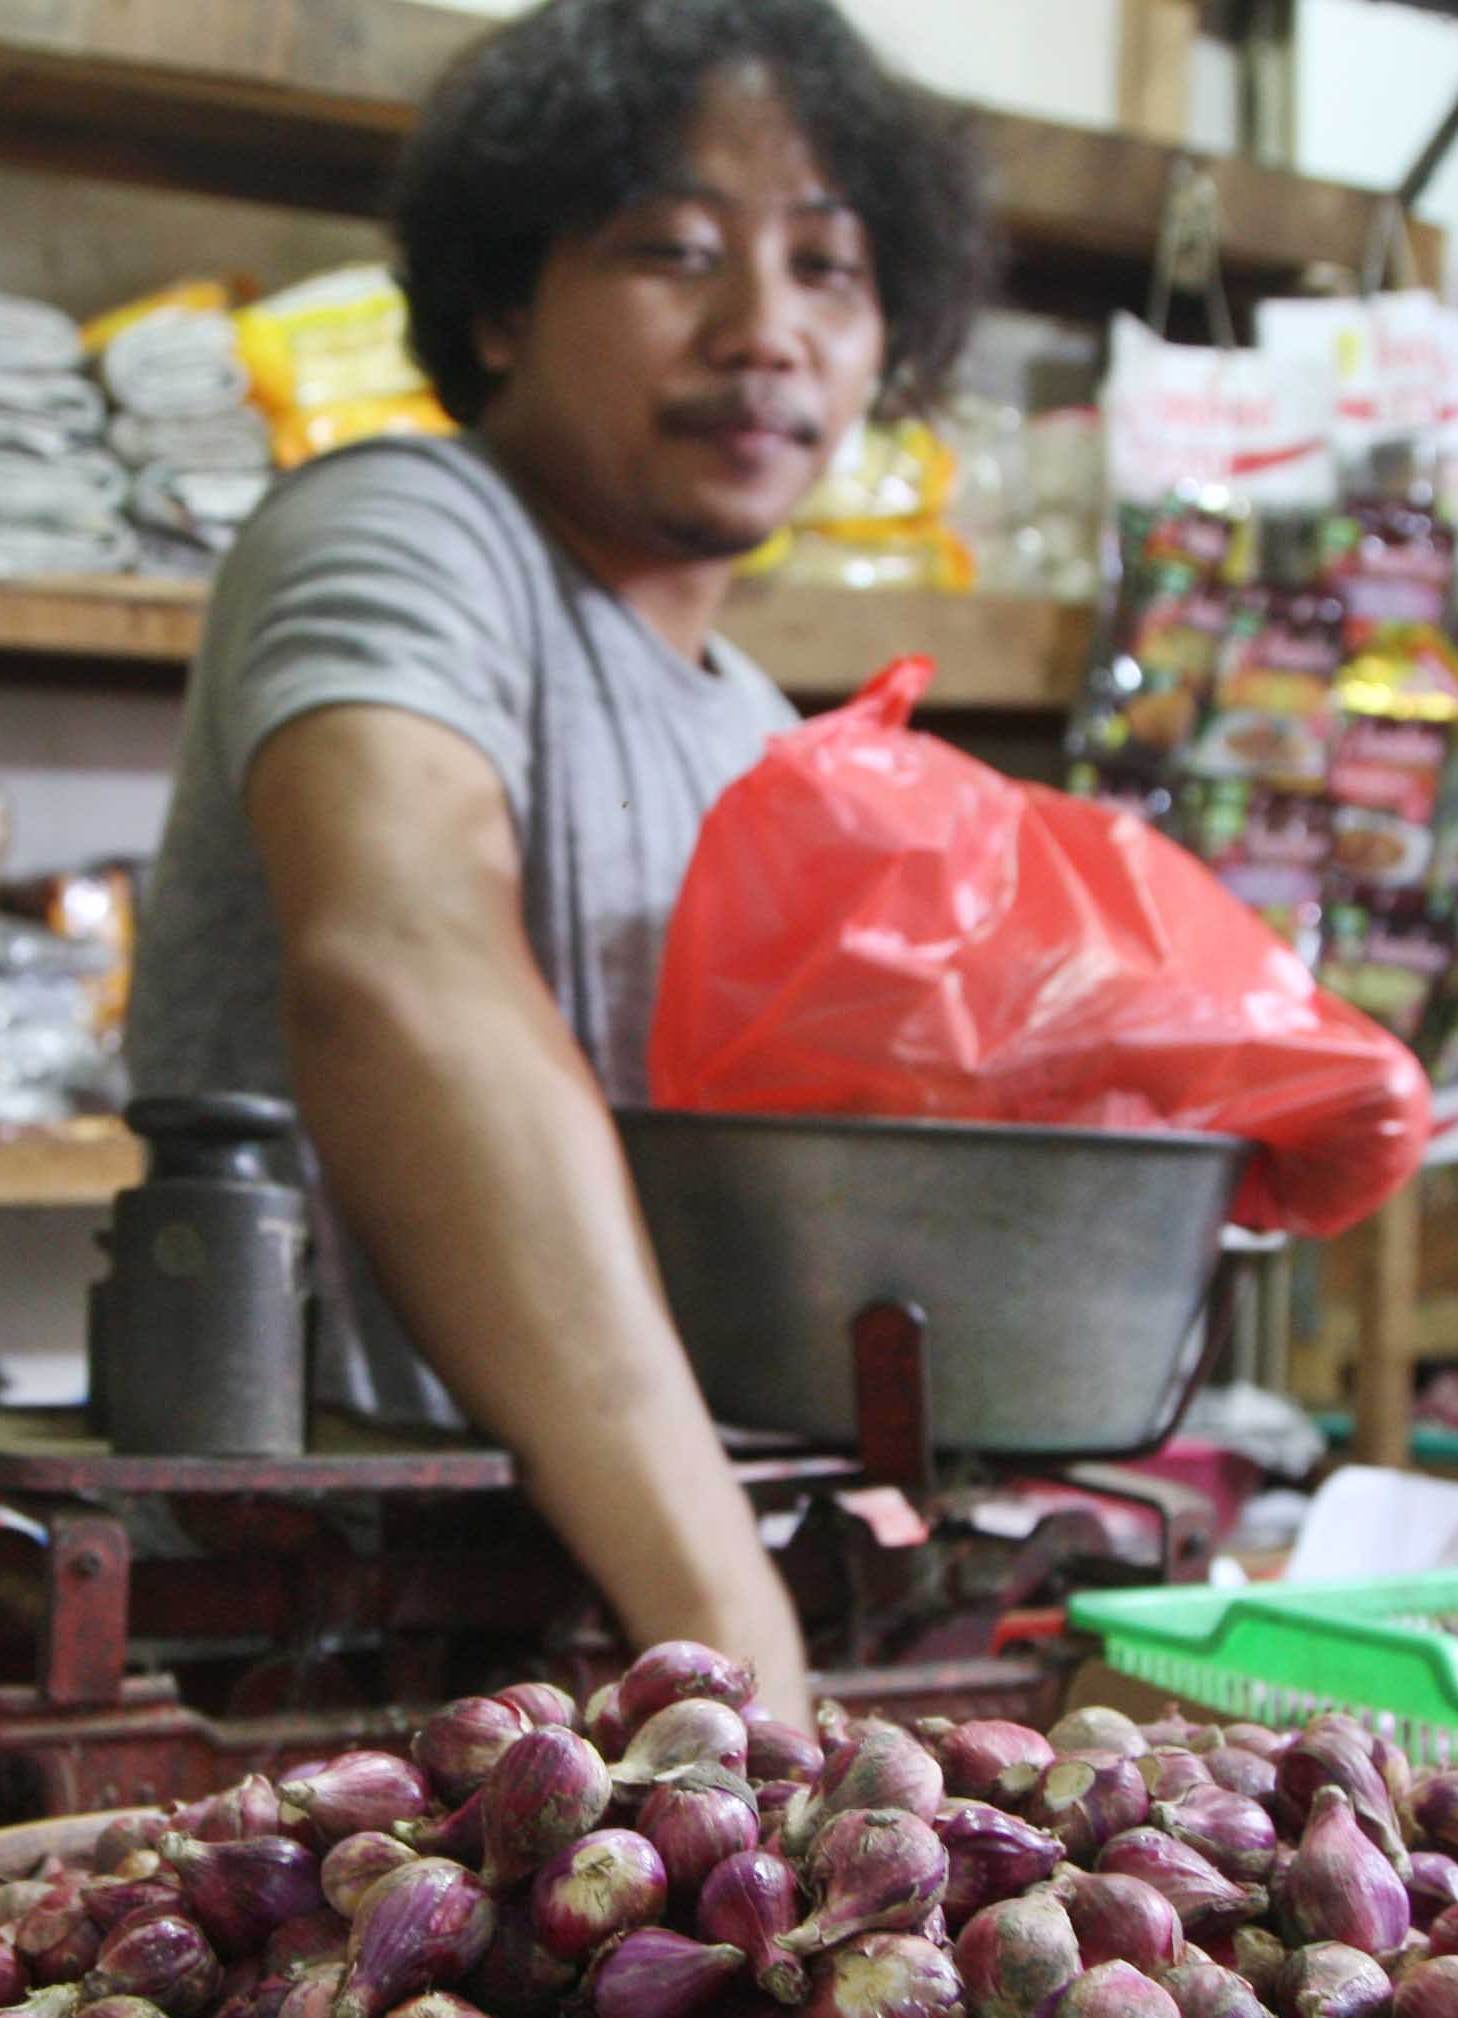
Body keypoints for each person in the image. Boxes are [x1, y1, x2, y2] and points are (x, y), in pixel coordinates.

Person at [126, 0, 987, 1732]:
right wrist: (724, 1613)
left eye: (829, 269)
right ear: (504, 303)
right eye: (675, 250)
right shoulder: (408, 530)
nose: (767, 332)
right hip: (333, 1645)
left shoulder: (754, 726)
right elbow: (400, 973)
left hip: (621, 1632)